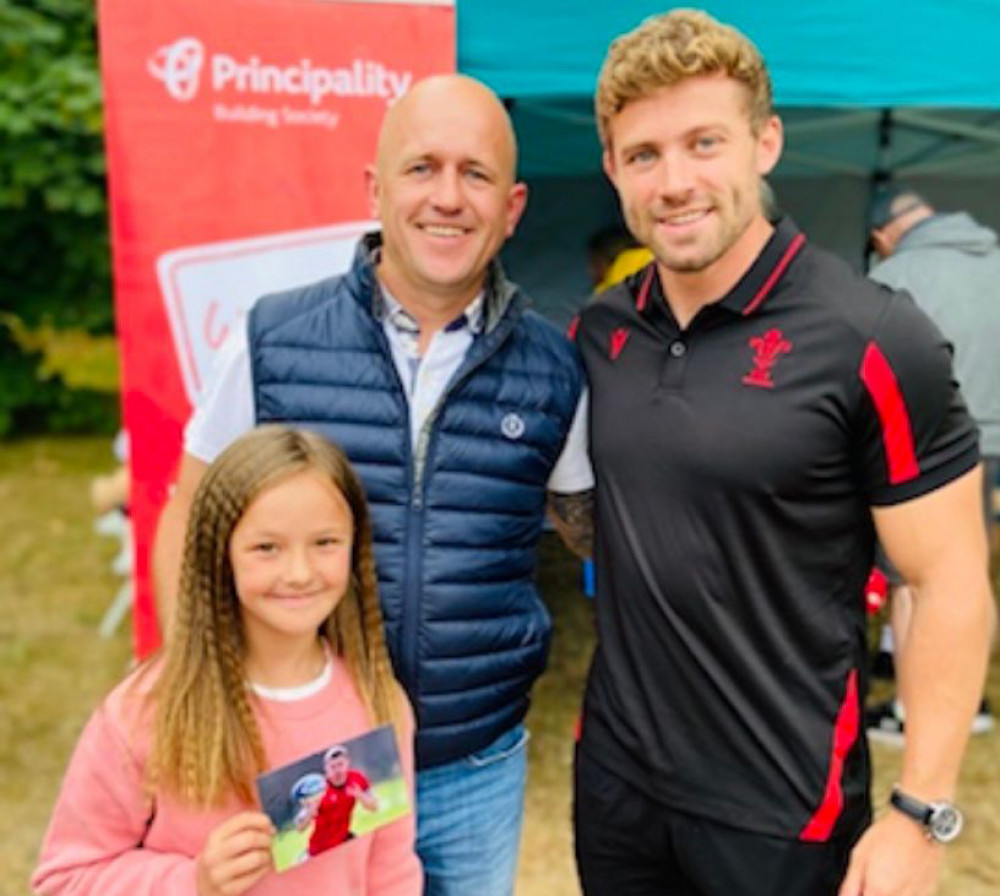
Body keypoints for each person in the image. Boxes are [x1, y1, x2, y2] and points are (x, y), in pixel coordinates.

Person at [571, 10, 994, 896]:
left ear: (766, 141)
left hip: (782, 812)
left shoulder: (875, 337)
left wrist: (922, 812)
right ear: (611, 168)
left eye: (704, 143)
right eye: (644, 154)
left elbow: (946, 579)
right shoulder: (599, 331)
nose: (675, 181)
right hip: (616, 788)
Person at [153, 74, 593, 896]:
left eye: (477, 174)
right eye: (422, 168)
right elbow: (188, 517)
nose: (448, 198)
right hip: (327, 762)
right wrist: (197, 696)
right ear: (376, 187)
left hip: (477, 761)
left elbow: (595, 526)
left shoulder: (553, 368)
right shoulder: (275, 338)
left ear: (514, 205)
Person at [33, 425, 421, 896]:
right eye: (266, 548)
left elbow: (392, 871)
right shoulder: (145, 712)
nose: (298, 573)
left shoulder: (379, 702)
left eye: (324, 543)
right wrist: (193, 882)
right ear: (220, 556)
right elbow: (63, 881)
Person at [865, 185, 999, 742]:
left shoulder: (899, 277)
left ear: (882, 238)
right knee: (974, 583)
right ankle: (969, 707)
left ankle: (913, 712)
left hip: (934, 451)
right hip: (998, 447)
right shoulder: (994, 257)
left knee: (918, 585)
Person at [306, 745, 379, 855]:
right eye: (333, 767)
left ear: (347, 763)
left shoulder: (356, 778)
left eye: (340, 765)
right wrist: (310, 812)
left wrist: (360, 796)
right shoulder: (318, 789)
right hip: (320, 848)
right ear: (326, 770)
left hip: (343, 839)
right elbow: (300, 826)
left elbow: (374, 807)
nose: (337, 770)